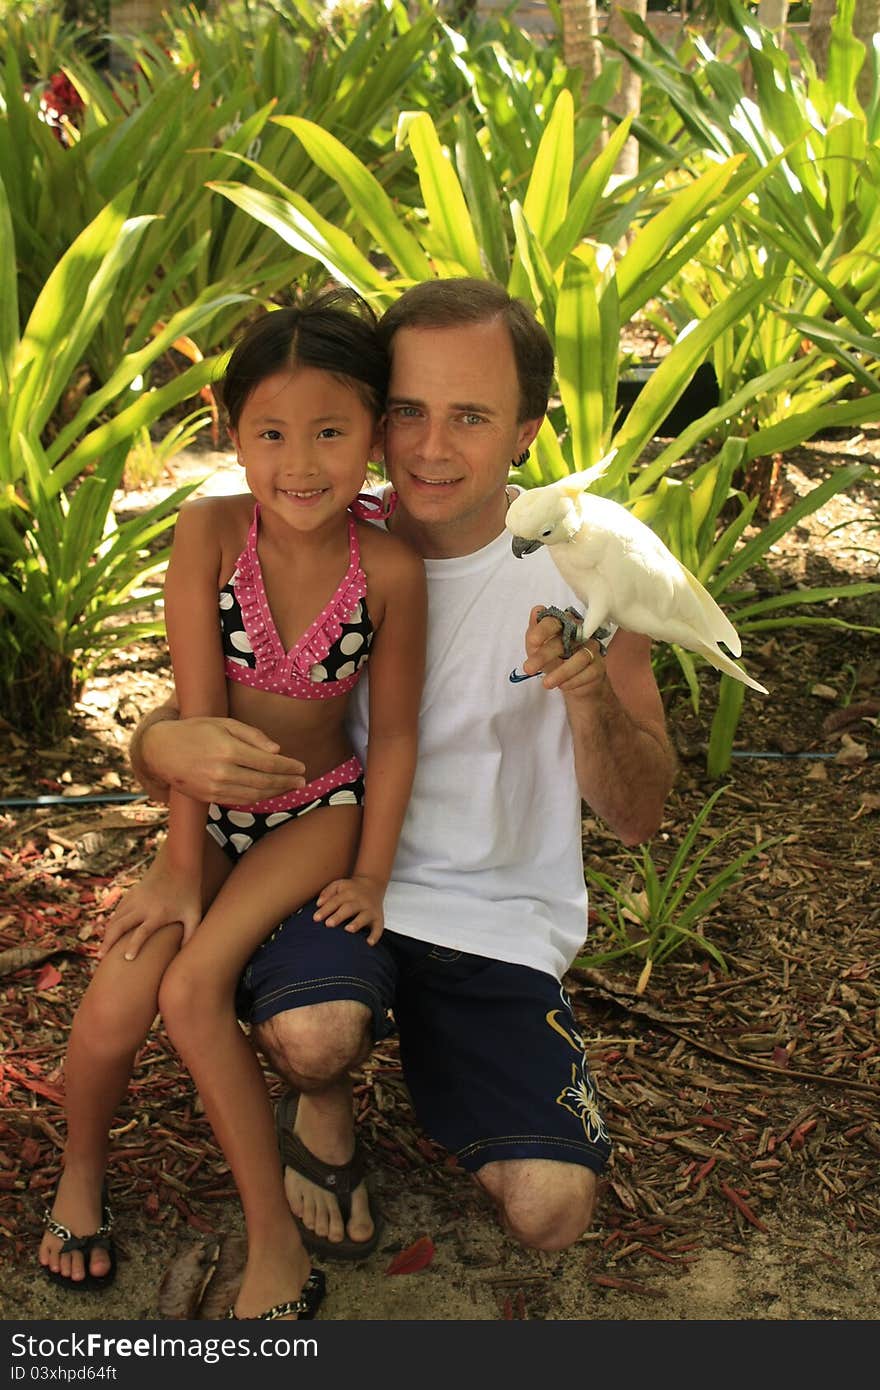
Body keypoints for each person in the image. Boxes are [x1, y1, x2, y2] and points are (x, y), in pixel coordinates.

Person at [128, 278, 676, 1265]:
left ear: (526, 429)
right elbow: (221, 710)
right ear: (376, 421)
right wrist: (149, 742)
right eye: (409, 413)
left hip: (496, 914)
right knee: (315, 1034)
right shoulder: (330, 527)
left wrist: (588, 694)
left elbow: (640, 813)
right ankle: (324, 1096)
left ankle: (458, 1060)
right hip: (329, 876)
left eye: (469, 416)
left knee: (551, 1211)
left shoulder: (583, 560)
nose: (429, 447)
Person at [38, 290, 426, 1320]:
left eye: (332, 432)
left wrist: (372, 870)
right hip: (205, 814)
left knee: (193, 987)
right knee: (121, 995)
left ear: (375, 432)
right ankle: (81, 1172)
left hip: (315, 814)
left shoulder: (387, 568)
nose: (301, 463)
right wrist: (177, 862)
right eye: (271, 433)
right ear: (228, 429)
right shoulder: (208, 532)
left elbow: (388, 736)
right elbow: (199, 727)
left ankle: (273, 1244)